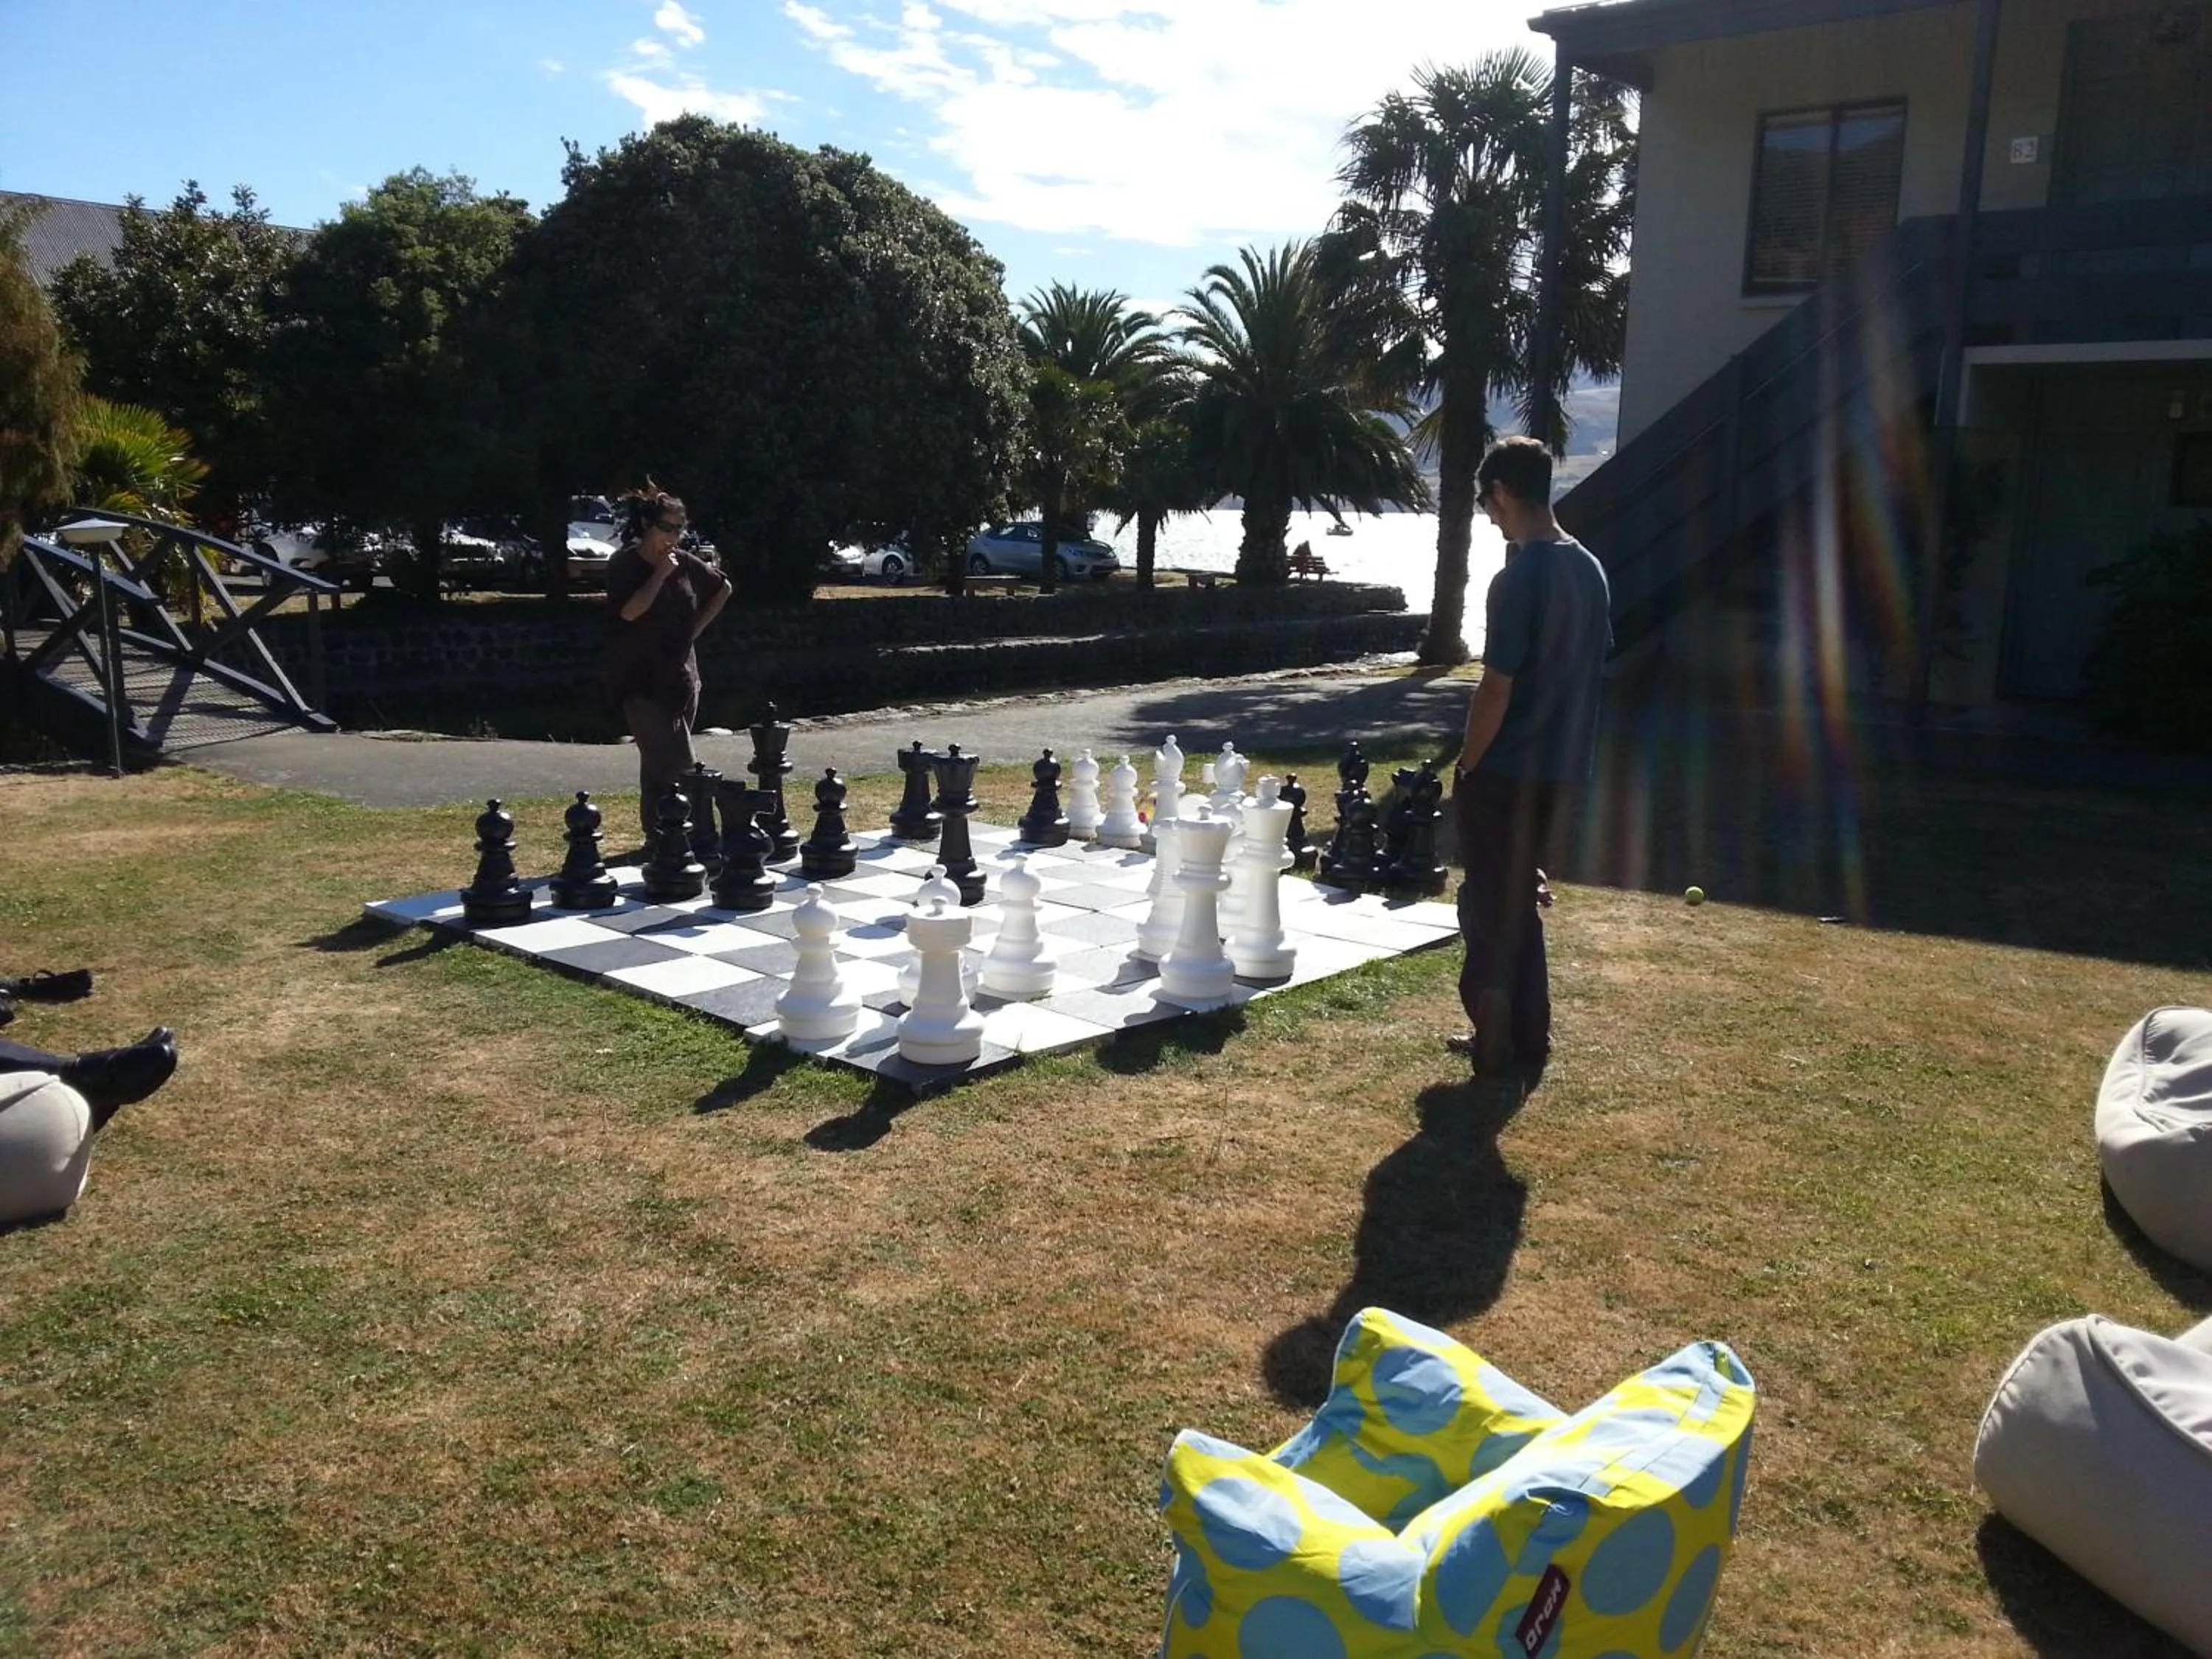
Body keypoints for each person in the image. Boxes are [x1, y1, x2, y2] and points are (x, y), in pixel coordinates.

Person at [1450, 437, 1612, 1075]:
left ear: (1506, 492)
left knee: (1490, 900)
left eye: (1487, 501)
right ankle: (1529, 1033)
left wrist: (1468, 763)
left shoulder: (1518, 578)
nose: (1489, 515)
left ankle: (1493, 1031)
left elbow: (1497, 686)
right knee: (1517, 895)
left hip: (1506, 767)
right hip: (1563, 768)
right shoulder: (1591, 570)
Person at [602, 485, 733, 842]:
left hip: (683, 681)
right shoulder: (625, 565)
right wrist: (659, 574)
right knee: (682, 766)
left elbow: (723, 588)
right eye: (667, 527)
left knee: (655, 765)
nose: (673, 537)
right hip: (641, 684)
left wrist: (693, 632)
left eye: (680, 529)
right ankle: (705, 837)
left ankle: (659, 838)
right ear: (646, 524)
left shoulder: (685, 563)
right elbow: (629, 612)